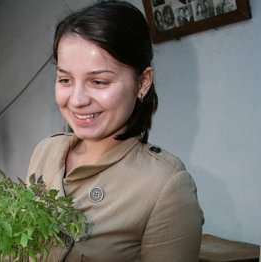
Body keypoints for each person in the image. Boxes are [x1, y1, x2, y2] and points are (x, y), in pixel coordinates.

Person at [27, 1, 204, 261]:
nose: (77, 100)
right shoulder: (46, 151)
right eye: (65, 79)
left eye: (98, 82)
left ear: (142, 82)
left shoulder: (165, 186)